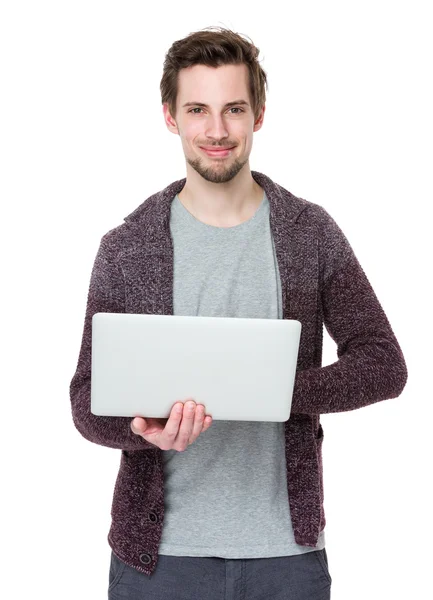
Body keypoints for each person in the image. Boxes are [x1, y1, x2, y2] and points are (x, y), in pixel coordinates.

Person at [69, 26, 408, 600]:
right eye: (198, 109)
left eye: (234, 109)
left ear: (259, 114)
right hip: (159, 561)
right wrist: (143, 431)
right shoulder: (127, 246)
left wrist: (275, 394)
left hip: (286, 559)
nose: (217, 130)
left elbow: (383, 364)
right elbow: (85, 401)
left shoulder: (310, 233)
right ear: (171, 116)